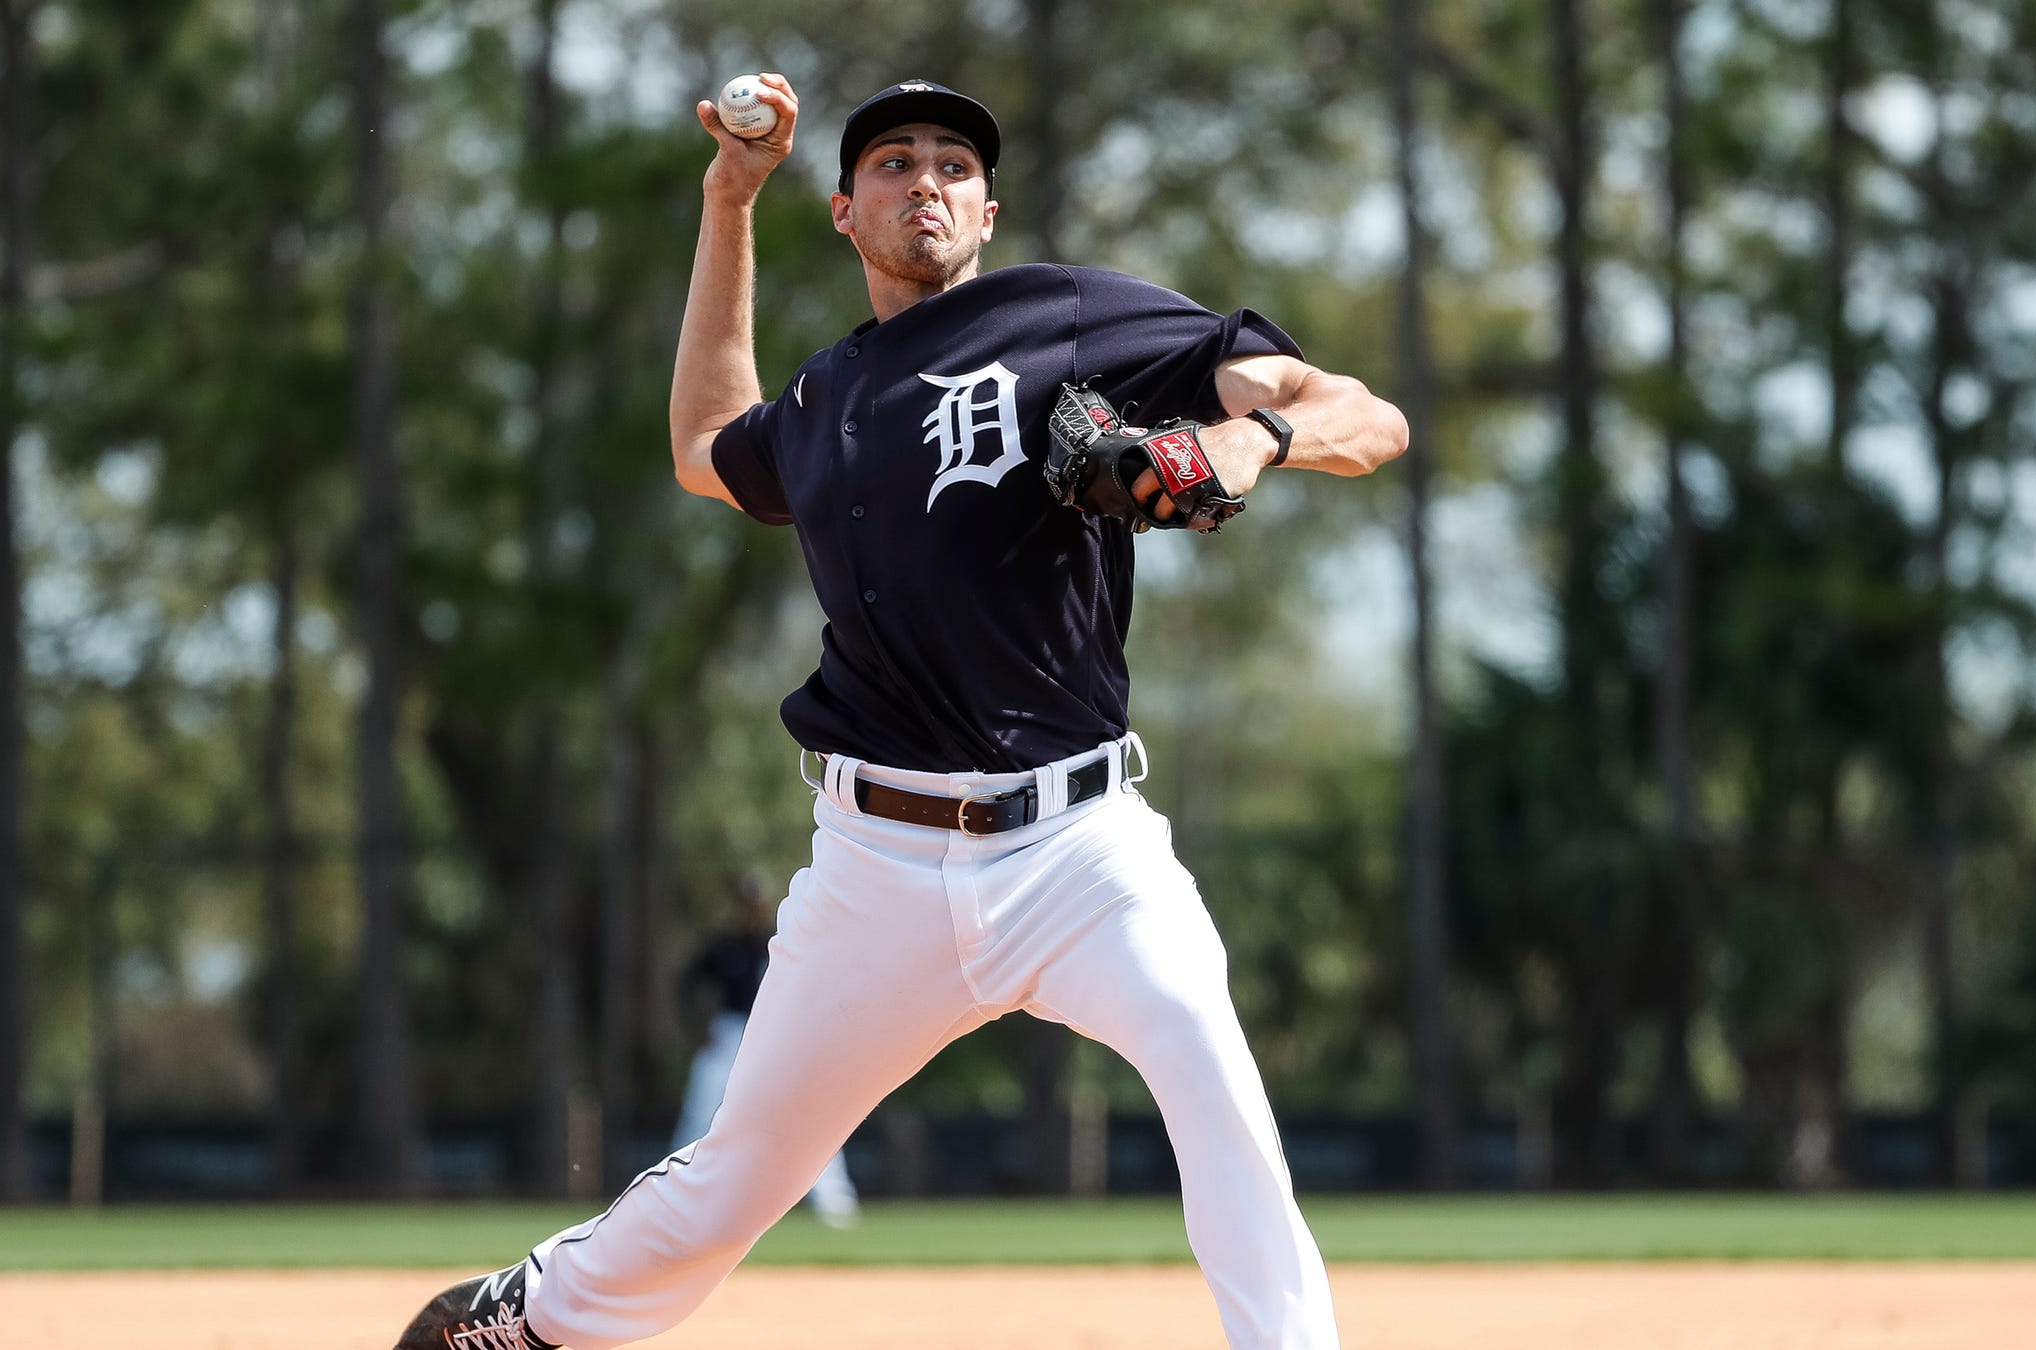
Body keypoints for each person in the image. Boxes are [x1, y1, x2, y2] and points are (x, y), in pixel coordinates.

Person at [397, 72, 1407, 1350]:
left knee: (1214, 1084)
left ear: (986, 211)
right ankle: (540, 1317)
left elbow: (1363, 416)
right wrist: (726, 198)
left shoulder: (1073, 315)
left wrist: (1248, 444)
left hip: (1080, 848)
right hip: (874, 864)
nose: (922, 181)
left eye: (951, 165)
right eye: (889, 163)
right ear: (843, 210)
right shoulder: (825, 401)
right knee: (738, 1175)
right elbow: (704, 441)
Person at [669, 875, 860, 1228]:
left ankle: (834, 1201)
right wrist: (697, 1029)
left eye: (756, 900)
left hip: (772, 1032)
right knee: (699, 1114)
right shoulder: (724, 945)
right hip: (729, 1033)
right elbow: (684, 984)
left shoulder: (779, 940)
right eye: (747, 901)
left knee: (809, 1111)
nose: (752, 908)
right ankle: (670, 1201)